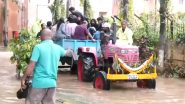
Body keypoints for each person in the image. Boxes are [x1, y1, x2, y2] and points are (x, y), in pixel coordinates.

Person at [21, 29, 72, 104]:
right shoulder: (57, 48)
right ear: (51, 36)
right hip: (52, 84)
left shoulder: (38, 47)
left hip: (39, 83)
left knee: (31, 102)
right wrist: (70, 50)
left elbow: (32, 65)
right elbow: (67, 53)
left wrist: (24, 78)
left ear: (41, 37)